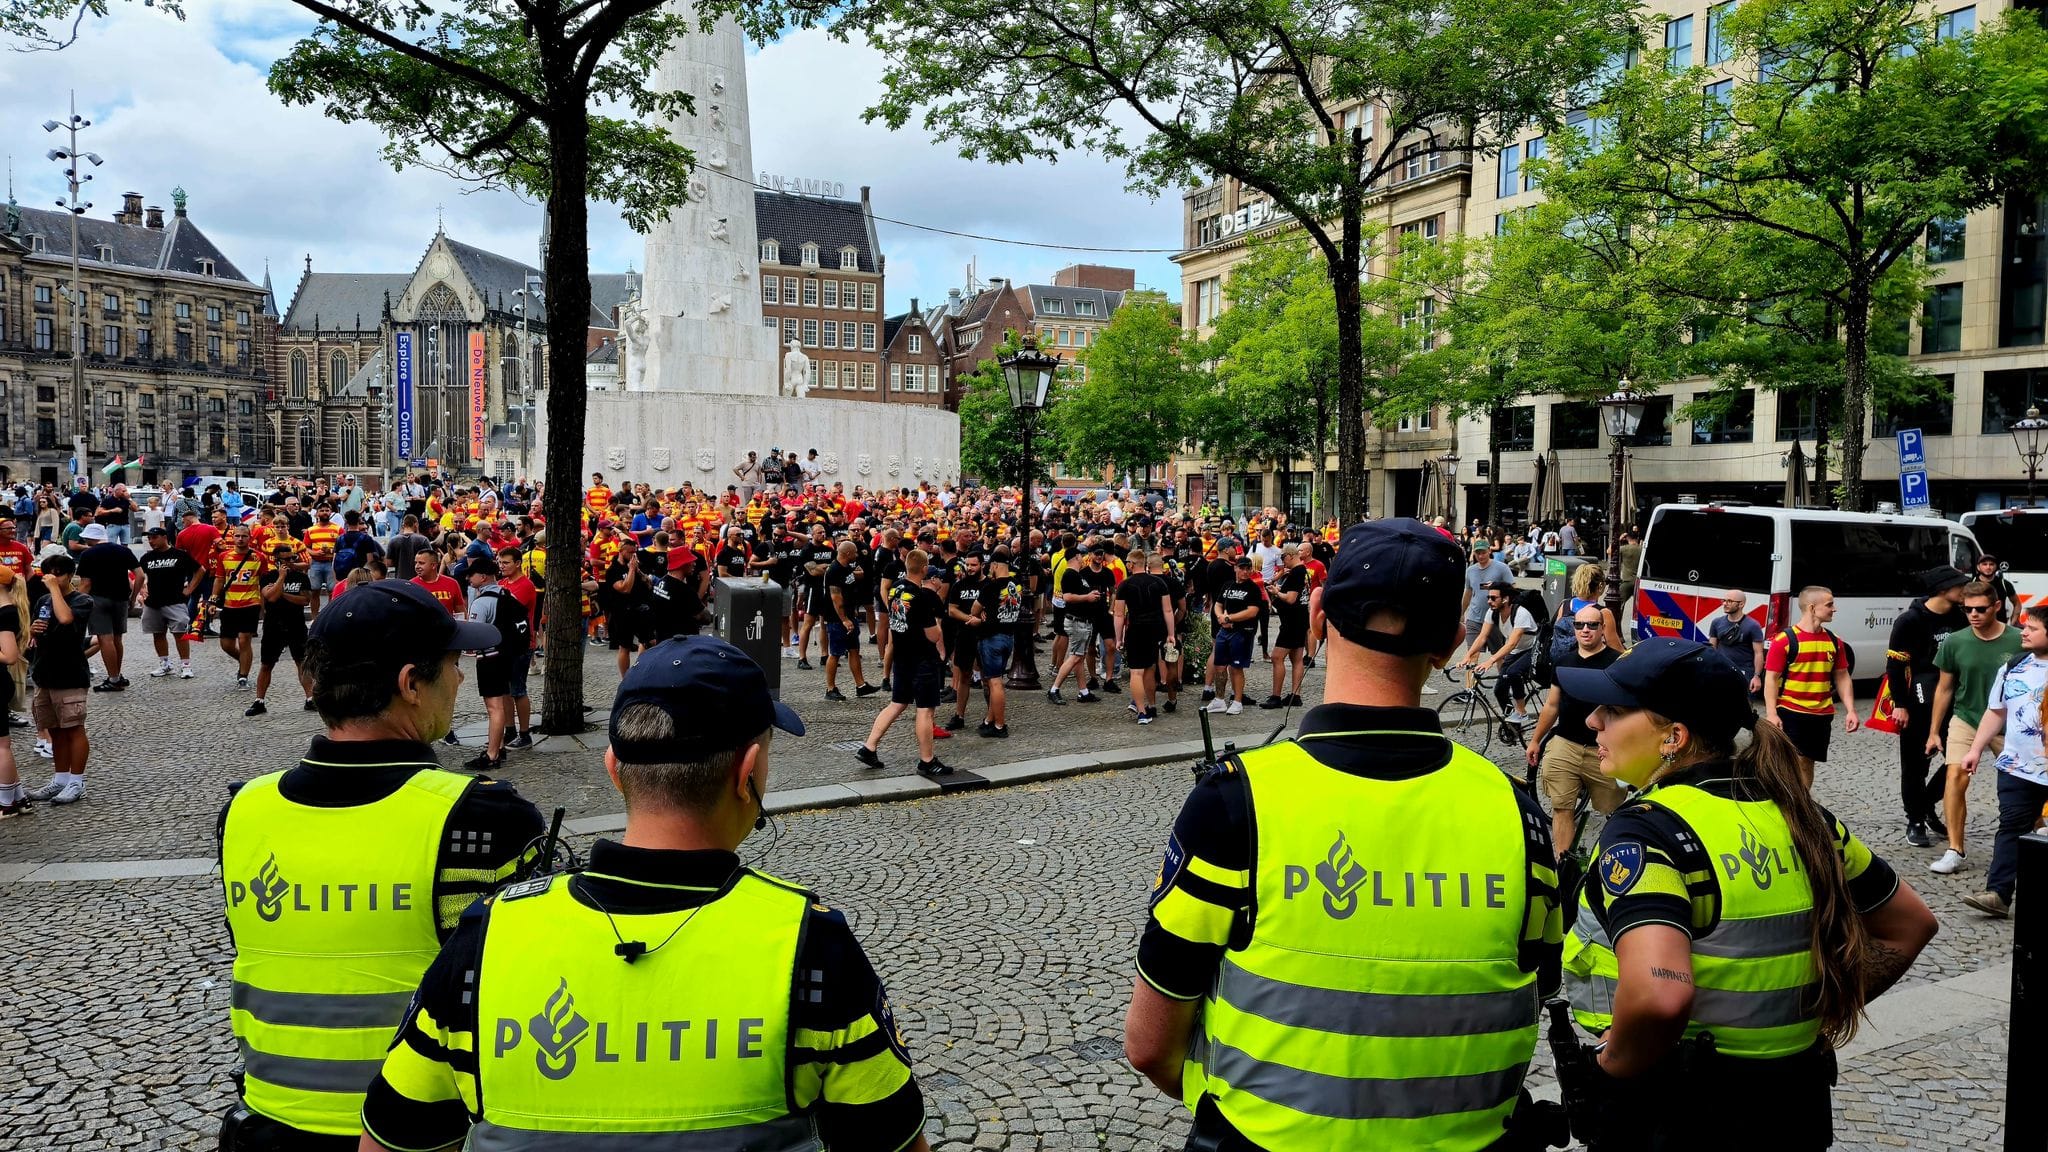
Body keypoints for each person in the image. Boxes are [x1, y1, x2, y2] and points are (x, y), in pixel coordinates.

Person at [358, 635, 928, 1150]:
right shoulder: (811, 943)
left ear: (613, 768)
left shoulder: (487, 937)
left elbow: (392, 1136)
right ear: (747, 772)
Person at [1125, 518, 1562, 1150]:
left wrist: (1230, 1106)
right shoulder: (1520, 817)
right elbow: (1536, 991)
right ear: (1446, 640)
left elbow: (1149, 1044)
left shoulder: (1236, 802)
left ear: (1320, 615)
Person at [1556, 638, 1938, 1150]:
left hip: (1684, 1108)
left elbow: (1660, 994)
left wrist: (1611, 1070)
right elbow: (1912, 925)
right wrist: (1812, 1014)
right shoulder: (1802, 815)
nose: (1593, 721)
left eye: (1616, 710)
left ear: (1674, 736)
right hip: (1793, 1100)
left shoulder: (1649, 831)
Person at [215, 579, 544, 1151]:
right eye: (450, 665)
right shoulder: (483, 817)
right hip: (419, 1133)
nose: (461, 679)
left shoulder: (243, 809)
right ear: (411, 684)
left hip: (267, 1121)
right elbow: (517, 987)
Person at [1925, 579, 2024, 876]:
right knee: (1954, 776)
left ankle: (2036, 834)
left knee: (2023, 786)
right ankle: (1955, 849)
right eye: (1967, 610)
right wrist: (1933, 731)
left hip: (2010, 725)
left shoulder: (2020, 640)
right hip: (1966, 719)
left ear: (1996, 606)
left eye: (1980, 609)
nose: (1974, 615)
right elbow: (1944, 689)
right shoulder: (1955, 642)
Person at [1959, 602, 2048, 917]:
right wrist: (1975, 749)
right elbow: (1996, 711)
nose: (2023, 632)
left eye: (2032, 628)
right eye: (2025, 626)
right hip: (2017, 766)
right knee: (2011, 827)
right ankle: (1998, 894)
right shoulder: (2014, 666)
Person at [1528, 603, 1624, 852]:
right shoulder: (1563, 662)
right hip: (1565, 744)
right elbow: (1551, 705)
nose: (1585, 630)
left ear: (1603, 629)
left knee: (1613, 810)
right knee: (1561, 806)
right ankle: (1564, 866)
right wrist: (1536, 740)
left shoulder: (1617, 664)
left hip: (1603, 750)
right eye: (1580, 625)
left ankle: (1605, 861)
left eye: (1592, 625)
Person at [1886, 567, 1969, 848]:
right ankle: (1916, 820)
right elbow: (1895, 665)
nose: (1965, 590)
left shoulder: (1961, 617)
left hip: (1955, 698)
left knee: (1958, 760)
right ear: (1944, 589)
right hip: (1918, 697)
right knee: (1915, 766)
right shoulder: (1909, 620)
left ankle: (1925, 803)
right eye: (1960, 585)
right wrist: (1900, 704)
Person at [856, 548, 951, 777]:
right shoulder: (921, 597)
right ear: (925, 569)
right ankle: (927, 760)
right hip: (921, 658)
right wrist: (937, 625)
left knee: (897, 703)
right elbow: (933, 635)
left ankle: (869, 746)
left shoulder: (896, 589)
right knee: (925, 710)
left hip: (902, 655)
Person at [1762, 586, 1858, 790]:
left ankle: (1802, 802)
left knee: (1807, 762)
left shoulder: (1834, 641)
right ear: (1812, 608)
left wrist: (1851, 710)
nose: (1835, 609)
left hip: (1822, 714)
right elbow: (1771, 678)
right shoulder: (1784, 641)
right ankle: (1789, 803)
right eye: (1830, 604)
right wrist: (1772, 713)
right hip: (1791, 711)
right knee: (1793, 760)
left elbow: (1842, 676)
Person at [20, 556, 96, 807]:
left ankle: (77, 781)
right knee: (54, 729)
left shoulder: (82, 600)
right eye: (49, 574)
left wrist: (54, 589)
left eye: (59, 574)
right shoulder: (42, 601)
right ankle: (60, 778)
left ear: (69, 574)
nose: (53, 578)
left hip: (70, 673)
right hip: (45, 672)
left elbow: (65, 619)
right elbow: (39, 625)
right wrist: (33, 631)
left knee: (74, 728)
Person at [462, 555, 531, 770]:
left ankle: (492, 754)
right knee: (500, 702)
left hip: (489, 658)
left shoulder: (481, 602)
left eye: (471, 575)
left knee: (494, 707)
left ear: (483, 577)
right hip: (505, 656)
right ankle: (498, 745)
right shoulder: (505, 593)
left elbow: (473, 635)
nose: (468, 578)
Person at [246, 542, 313, 718]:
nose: (291, 562)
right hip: (273, 625)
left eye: (292, 558)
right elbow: (271, 597)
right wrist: (281, 579)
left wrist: (283, 594)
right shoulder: (268, 577)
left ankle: (310, 698)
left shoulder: (301, 577)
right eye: (286, 559)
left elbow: (305, 600)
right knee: (267, 664)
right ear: (277, 561)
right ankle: (259, 701)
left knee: (302, 662)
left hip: (296, 624)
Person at [1463, 582, 1540, 728]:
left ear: (1505, 599)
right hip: (1516, 651)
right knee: (1499, 690)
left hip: (1531, 649)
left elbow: (1511, 643)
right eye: (1488, 597)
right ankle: (1512, 723)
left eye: (1493, 598)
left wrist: (1490, 661)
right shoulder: (1492, 612)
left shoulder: (1521, 613)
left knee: (1513, 672)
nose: (1489, 601)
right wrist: (1468, 655)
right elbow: (1482, 637)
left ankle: (1522, 712)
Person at [75, 522, 142, 691]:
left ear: (91, 537)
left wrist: (75, 602)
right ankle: (117, 675)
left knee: (105, 639)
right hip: (121, 599)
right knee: (117, 639)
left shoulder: (88, 554)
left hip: (98, 599)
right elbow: (140, 575)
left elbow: (86, 583)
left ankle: (113, 679)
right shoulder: (123, 550)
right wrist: (133, 597)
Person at [1113, 549, 1175, 725]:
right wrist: (1170, 633)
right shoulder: (1159, 583)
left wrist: (1119, 638)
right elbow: (1168, 610)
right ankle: (1151, 704)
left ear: (1131, 564)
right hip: (1155, 629)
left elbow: (1119, 615)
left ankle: (1141, 711)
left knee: (1136, 671)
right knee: (1150, 668)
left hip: (1136, 629)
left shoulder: (1125, 585)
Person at [1048, 546, 1112, 705]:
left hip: (1083, 621)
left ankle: (1083, 691)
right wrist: (1087, 597)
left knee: (1079, 657)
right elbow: (1068, 597)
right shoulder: (1070, 574)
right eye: (1082, 556)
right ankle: (1054, 689)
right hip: (1077, 621)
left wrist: (1090, 596)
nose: (1084, 559)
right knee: (1075, 656)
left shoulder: (1076, 575)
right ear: (1076, 557)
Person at [138, 526, 202, 679]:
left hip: (175, 601)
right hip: (153, 602)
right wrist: (142, 588)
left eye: (154, 538)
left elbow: (200, 570)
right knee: (158, 633)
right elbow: (140, 575)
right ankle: (164, 663)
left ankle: (186, 665)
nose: (151, 541)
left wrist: (190, 589)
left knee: (180, 633)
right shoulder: (147, 557)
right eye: (149, 538)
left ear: (164, 537)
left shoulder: (180, 555)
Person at [1203, 555, 1264, 715]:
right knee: (1220, 666)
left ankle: (1237, 701)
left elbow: (1252, 611)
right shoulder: (1227, 585)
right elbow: (1218, 604)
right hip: (1225, 629)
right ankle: (1219, 699)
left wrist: (1230, 618)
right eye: (1242, 568)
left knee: (1236, 667)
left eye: (1248, 568)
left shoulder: (1252, 588)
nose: (1245, 571)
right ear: (1235, 568)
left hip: (1243, 631)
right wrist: (1220, 617)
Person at [975, 549, 1026, 736]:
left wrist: (981, 613)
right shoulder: (1017, 584)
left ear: (995, 566)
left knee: (994, 683)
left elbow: (975, 608)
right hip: (1008, 636)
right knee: (995, 680)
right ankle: (990, 719)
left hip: (992, 637)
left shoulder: (991, 586)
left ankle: (1000, 725)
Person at [824, 539, 879, 702]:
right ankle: (830, 688)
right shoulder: (834, 571)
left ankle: (861, 686)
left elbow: (854, 581)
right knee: (835, 653)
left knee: (854, 649)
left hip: (849, 615)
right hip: (837, 619)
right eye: (854, 552)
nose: (857, 554)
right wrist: (844, 619)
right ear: (847, 553)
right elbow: (836, 598)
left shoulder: (847, 567)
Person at [213, 524, 266, 690]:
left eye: (244, 536)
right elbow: (219, 579)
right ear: (233, 537)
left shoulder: (259, 557)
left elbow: (263, 582)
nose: (240, 539)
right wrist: (213, 600)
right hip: (229, 605)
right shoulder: (224, 556)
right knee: (226, 644)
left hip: (250, 604)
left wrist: (264, 608)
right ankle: (244, 660)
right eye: (237, 536)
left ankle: (243, 675)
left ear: (249, 538)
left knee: (244, 640)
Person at [1258, 543, 1309, 709]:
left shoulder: (1297, 572)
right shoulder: (1302, 571)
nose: (1282, 562)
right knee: (1296, 658)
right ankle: (1295, 694)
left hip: (1292, 622)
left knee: (1277, 657)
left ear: (1290, 555)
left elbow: (1291, 598)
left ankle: (1276, 696)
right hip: (1300, 619)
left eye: (1283, 558)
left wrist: (1276, 592)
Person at [941, 549, 986, 728]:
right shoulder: (959, 585)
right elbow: (952, 609)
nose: (970, 568)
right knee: (964, 676)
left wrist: (982, 619)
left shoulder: (989, 585)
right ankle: (959, 716)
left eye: (974, 565)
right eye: (967, 565)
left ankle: (991, 716)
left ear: (982, 565)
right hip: (964, 635)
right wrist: (970, 619)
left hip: (984, 636)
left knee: (988, 678)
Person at [1705, 588, 1766, 695]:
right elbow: (1712, 648)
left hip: (1743, 672)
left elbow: (1758, 653)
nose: (1725, 603)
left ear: (1741, 604)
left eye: (1729, 601)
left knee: (1740, 708)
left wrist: (1756, 676)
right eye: (1724, 600)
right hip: (1721, 669)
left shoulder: (1753, 626)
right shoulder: (1716, 622)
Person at [1460, 540, 1514, 660]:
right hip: (1474, 619)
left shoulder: (1502, 568)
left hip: (1495, 618)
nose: (1480, 556)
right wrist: (1462, 612)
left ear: (1489, 550)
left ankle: (1501, 678)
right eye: (1477, 553)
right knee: (1472, 655)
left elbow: (1513, 590)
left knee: (1499, 655)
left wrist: (1497, 585)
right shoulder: (1470, 570)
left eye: (1483, 552)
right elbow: (1468, 593)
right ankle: (1472, 679)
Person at [409, 548, 465, 617]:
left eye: (421, 563)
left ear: (433, 565)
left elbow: (461, 613)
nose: (417, 566)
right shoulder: (410, 585)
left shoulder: (452, 583)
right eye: (416, 563)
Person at [1975, 552, 2019, 622]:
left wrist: (2013, 621)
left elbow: (2017, 604)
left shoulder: (2005, 584)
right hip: (1976, 627)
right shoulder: (1971, 583)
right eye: (1984, 564)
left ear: (1996, 567)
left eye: (1991, 564)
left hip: (2000, 628)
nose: (1988, 567)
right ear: (1978, 567)